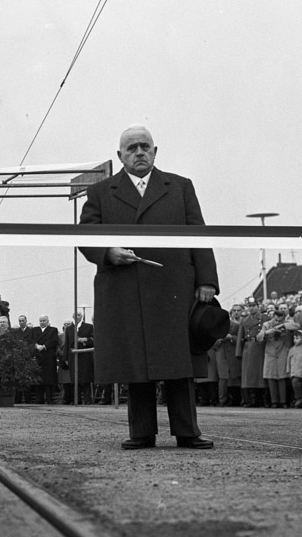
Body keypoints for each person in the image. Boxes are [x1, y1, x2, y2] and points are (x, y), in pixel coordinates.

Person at [79, 125, 219, 449]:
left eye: (145, 146)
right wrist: (108, 253)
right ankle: (141, 432)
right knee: (135, 361)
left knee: (179, 362)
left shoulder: (181, 187)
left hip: (175, 287)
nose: (139, 152)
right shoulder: (100, 192)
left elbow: (199, 233)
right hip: (126, 288)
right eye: (132, 148)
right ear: (120, 156)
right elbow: (84, 237)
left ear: (156, 151)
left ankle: (188, 431)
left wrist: (207, 281)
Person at [31, 315, 58, 404]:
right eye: (41, 321)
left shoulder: (53, 330)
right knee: (39, 380)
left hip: (48, 357)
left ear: (47, 321)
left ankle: (50, 399)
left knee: (49, 380)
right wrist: (36, 346)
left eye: (44, 321)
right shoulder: (35, 330)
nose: (42, 322)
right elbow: (31, 340)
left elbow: (54, 341)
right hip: (38, 357)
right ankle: (39, 399)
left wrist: (44, 346)